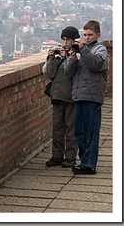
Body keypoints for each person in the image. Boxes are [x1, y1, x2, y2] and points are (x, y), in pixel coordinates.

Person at [64, 20, 108, 175]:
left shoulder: (100, 50)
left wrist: (82, 50)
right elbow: (69, 73)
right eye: (85, 35)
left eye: (90, 35)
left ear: (98, 35)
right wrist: (73, 60)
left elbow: (95, 64)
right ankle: (84, 162)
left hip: (92, 97)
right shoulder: (80, 51)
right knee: (80, 133)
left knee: (91, 132)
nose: (87, 38)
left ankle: (89, 164)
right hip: (79, 95)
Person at [43, 26, 79, 168]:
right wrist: (52, 58)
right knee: (57, 128)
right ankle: (57, 156)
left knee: (71, 129)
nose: (65, 42)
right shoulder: (60, 57)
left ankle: (70, 158)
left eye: (68, 39)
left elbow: (72, 73)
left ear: (74, 40)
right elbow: (50, 74)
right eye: (63, 39)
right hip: (57, 96)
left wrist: (69, 58)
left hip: (71, 97)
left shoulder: (78, 55)